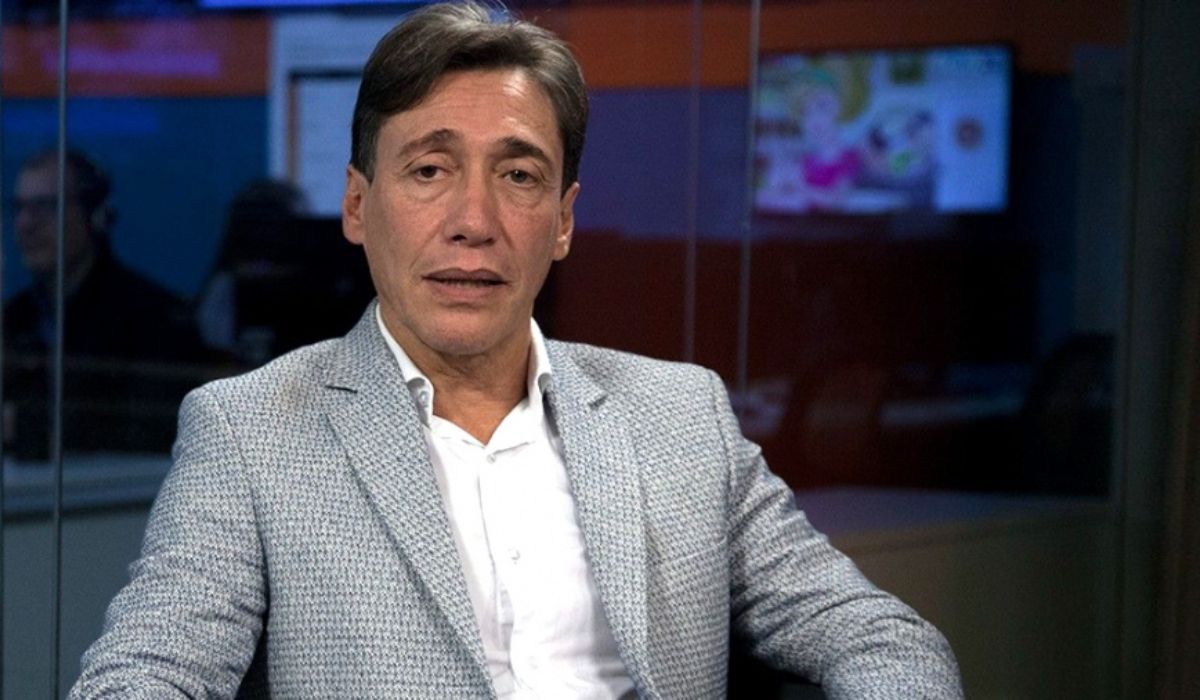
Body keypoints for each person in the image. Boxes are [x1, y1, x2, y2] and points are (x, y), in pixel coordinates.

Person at [69, 3, 962, 698]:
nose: (474, 221)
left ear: (563, 221)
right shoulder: (250, 430)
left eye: (519, 175)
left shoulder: (680, 414)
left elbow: (878, 638)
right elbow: (148, 672)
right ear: (357, 206)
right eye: (429, 170)